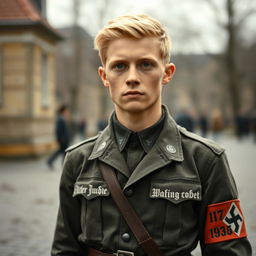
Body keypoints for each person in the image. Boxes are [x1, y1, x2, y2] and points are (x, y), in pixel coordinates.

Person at [51, 14, 252, 256]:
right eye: (119, 66)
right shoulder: (79, 160)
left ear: (167, 73)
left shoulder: (205, 160)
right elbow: (65, 249)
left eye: (145, 64)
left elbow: (229, 251)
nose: (132, 78)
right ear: (105, 77)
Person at [47, 105, 70, 169]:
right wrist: (60, 139)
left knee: (61, 151)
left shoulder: (62, 118)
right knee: (64, 151)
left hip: (64, 139)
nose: (67, 112)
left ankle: (51, 161)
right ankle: (64, 165)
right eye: (66, 111)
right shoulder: (60, 119)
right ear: (63, 111)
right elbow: (58, 130)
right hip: (63, 139)